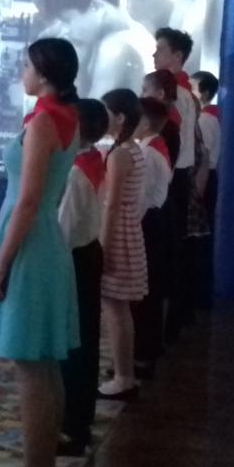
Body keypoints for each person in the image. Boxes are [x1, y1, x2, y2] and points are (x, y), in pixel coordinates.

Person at [0, 38, 81, 467]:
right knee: (43, 363)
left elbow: (29, 199)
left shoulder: (44, 121)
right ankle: (42, 463)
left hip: (31, 244)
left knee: (31, 366)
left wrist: (1, 264)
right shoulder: (65, 115)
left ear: (45, 73)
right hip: (42, 240)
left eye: (27, 66)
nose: (22, 72)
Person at [56, 99, 110, 457]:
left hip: (75, 258)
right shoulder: (93, 160)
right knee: (84, 339)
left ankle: (71, 426)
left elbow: (63, 229)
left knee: (73, 344)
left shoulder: (76, 173)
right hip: (88, 253)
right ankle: (80, 417)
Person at [34, 0, 152, 98]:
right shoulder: (135, 34)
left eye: (66, 20)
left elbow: (92, 112)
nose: (63, 30)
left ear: (97, 7)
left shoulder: (117, 49)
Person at [96, 89, 147, 402]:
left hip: (118, 232)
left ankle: (124, 376)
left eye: (106, 112)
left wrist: (102, 246)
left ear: (120, 117)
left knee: (115, 307)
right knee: (118, 307)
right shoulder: (131, 149)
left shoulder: (120, 155)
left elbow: (112, 204)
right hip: (127, 228)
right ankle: (123, 371)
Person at [153, 28, 201, 343]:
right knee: (172, 251)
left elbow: (170, 143)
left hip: (170, 179)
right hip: (176, 178)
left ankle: (161, 328)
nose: (154, 55)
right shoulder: (186, 95)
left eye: (160, 50)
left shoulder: (176, 97)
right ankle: (168, 324)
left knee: (164, 254)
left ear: (177, 56)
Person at [132, 96, 173, 375]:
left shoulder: (147, 153)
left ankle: (142, 356)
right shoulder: (154, 146)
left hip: (147, 222)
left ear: (145, 123)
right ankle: (145, 351)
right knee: (149, 290)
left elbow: (141, 198)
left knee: (144, 293)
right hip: (154, 220)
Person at [192, 70, 222, 310]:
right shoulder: (209, 117)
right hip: (207, 177)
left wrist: (197, 190)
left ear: (204, 93)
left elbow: (204, 157)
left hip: (204, 178)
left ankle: (199, 292)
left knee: (201, 235)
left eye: (193, 87)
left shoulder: (205, 120)